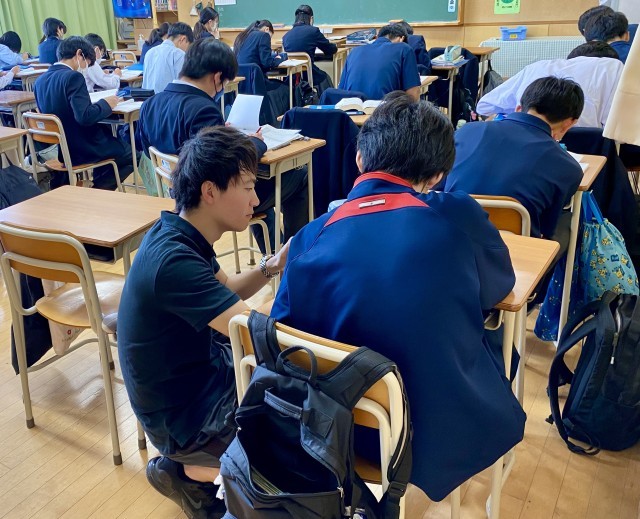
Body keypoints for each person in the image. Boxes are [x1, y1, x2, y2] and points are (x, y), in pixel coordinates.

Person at [271, 91, 525, 501]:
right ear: (438, 175)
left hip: (328, 431)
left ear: (360, 159)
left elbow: (284, 332)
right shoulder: (457, 216)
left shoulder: (308, 237)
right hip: (434, 433)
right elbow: (499, 286)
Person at [119, 126, 290, 519]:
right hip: (184, 418)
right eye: (248, 187)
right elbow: (250, 332)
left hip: (195, 380)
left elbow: (228, 288)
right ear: (210, 191)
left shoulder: (180, 231)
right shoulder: (174, 261)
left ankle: (193, 467)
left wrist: (274, 264)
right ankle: (188, 469)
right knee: (288, 436)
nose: (256, 199)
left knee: (283, 389)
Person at [136, 38, 309, 251]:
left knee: (255, 185)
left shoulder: (150, 104)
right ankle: (294, 254)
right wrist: (255, 143)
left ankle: (273, 253)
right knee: (297, 177)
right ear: (217, 78)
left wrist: (223, 135)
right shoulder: (203, 108)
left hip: (176, 194)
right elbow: (225, 166)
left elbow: (147, 150)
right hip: (208, 199)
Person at [445, 77, 584, 252]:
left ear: (520, 107)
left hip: (448, 238)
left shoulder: (466, 131)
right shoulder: (568, 167)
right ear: (569, 123)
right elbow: (546, 229)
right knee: (570, 221)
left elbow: (439, 185)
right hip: (514, 253)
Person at [33, 36, 132, 190]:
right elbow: (84, 117)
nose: (86, 68)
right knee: (132, 155)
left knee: (112, 146)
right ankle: (96, 190)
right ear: (79, 54)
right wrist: (106, 103)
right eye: (87, 62)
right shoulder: (73, 77)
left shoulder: (40, 81)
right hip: (84, 147)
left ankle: (94, 187)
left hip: (63, 150)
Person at [476, 41, 623, 128]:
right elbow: (616, 129)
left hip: (524, 137)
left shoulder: (537, 68)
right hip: (588, 148)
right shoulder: (614, 69)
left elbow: (485, 106)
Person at [338, 24, 420, 101]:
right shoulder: (404, 48)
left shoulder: (355, 51)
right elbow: (413, 93)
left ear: (376, 37)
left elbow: (341, 91)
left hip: (353, 107)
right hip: (386, 108)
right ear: (401, 39)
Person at [282, 4, 337, 92]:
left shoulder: (286, 36)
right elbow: (329, 49)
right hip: (309, 73)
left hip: (292, 76)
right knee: (325, 77)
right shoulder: (313, 31)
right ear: (311, 18)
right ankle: (328, 100)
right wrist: (335, 46)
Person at [142, 21, 194, 93]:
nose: (187, 50)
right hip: (169, 99)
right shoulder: (179, 54)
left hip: (149, 98)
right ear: (183, 39)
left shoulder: (150, 52)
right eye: (188, 46)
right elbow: (183, 86)